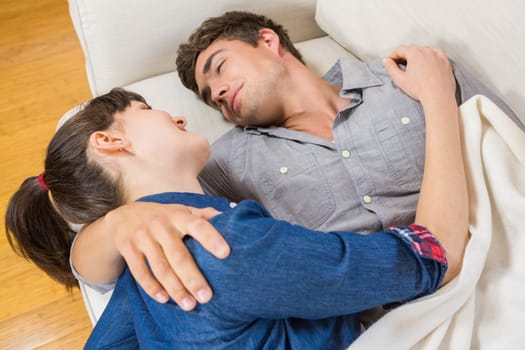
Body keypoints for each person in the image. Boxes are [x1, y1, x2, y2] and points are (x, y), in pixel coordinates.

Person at [6, 47, 468, 346]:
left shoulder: (144, 269)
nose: (184, 116)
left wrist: (121, 221)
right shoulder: (228, 244)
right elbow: (434, 254)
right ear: (110, 142)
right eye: (147, 109)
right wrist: (437, 95)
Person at [72, 11, 521, 310]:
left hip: (505, 260)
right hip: (388, 314)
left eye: (221, 68)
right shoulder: (226, 163)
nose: (220, 95)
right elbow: (98, 274)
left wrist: (436, 94)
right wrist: (118, 224)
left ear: (268, 41)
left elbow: (511, 145)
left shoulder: (409, 77)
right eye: (212, 99)